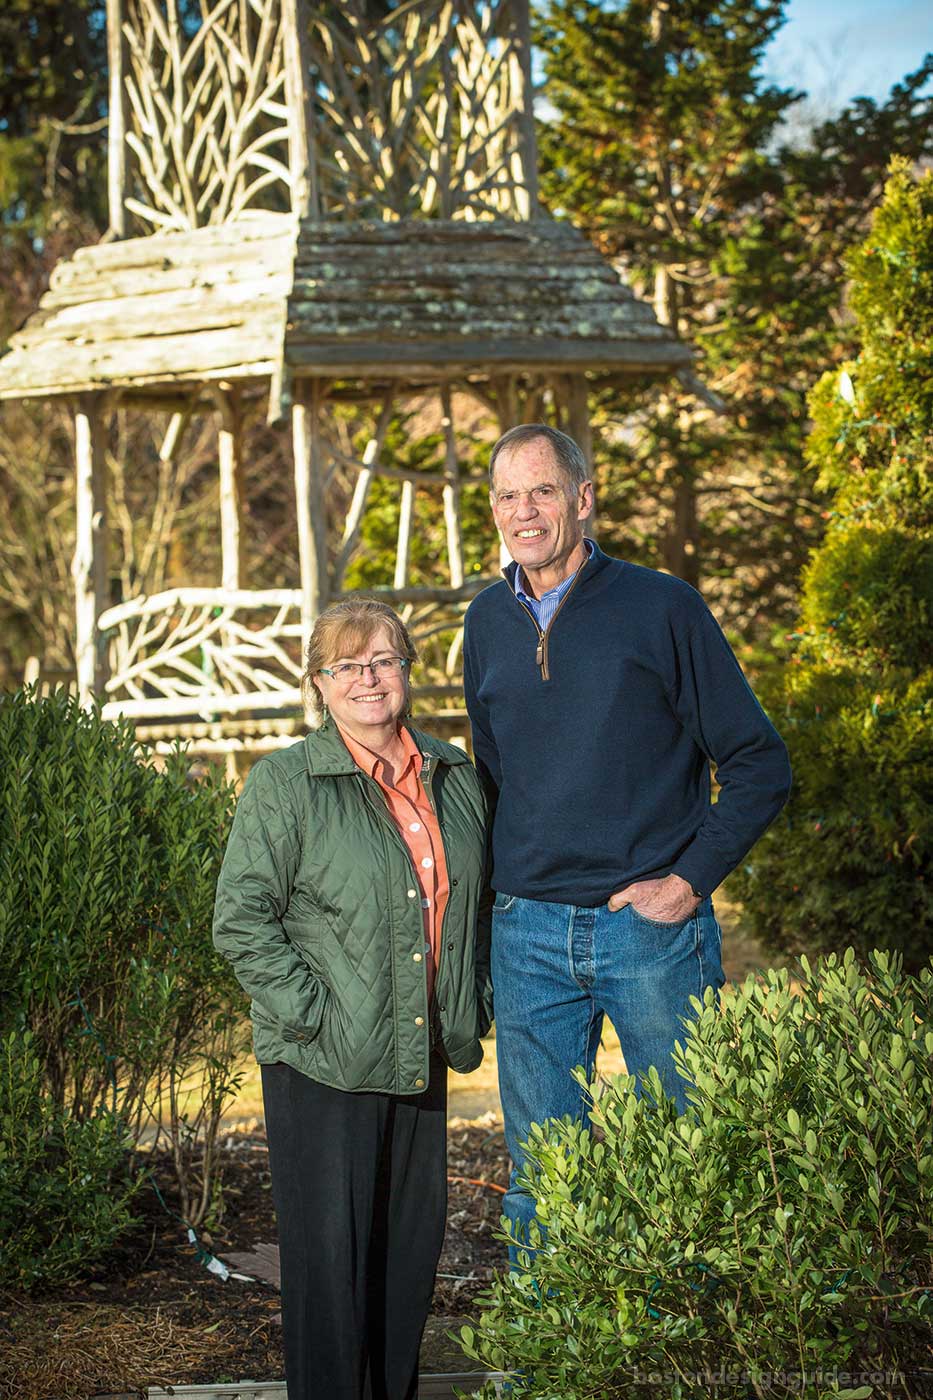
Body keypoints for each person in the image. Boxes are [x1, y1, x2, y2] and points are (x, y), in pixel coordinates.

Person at [462, 424, 792, 1254]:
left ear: (582, 497)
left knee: (690, 1165)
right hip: (528, 934)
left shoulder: (662, 607)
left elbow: (757, 762)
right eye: (508, 495)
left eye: (542, 491)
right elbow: (494, 778)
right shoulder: (484, 623)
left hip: (648, 935)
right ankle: (545, 1370)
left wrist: (684, 886)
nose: (524, 511)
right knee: (544, 1180)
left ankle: (689, 1366)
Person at [213, 598, 492, 1400]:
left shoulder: (453, 774)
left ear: (408, 670)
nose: (368, 679)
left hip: (422, 1050)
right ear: (319, 684)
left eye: (383, 661)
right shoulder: (286, 784)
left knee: (408, 1259)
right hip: (323, 1064)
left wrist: (471, 1000)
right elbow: (240, 920)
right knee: (330, 1271)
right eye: (347, 665)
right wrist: (314, 1016)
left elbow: (481, 902)